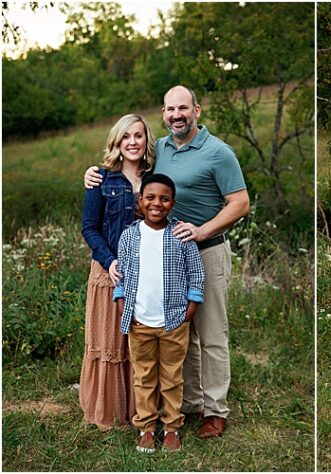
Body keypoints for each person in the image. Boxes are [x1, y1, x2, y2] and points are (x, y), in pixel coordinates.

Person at [85, 85, 250, 438]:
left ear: (197, 111)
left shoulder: (218, 152)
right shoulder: (158, 149)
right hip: (166, 255)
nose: (177, 115)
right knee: (178, 329)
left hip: (207, 249)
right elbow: (126, 161)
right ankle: (189, 403)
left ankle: (215, 411)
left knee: (211, 334)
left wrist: (201, 231)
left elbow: (240, 203)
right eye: (170, 109)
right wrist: (92, 173)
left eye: (183, 108)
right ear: (163, 114)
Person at [114, 174, 205, 453]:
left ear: (172, 203)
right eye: (150, 198)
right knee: (144, 377)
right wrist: (122, 305)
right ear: (140, 201)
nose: (157, 203)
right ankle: (146, 427)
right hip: (139, 321)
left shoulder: (181, 235)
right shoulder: (129, 236)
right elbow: (122, 275)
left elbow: (196, 274)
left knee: (172, 377)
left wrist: (190, 309)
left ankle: (172, 428)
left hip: (174, 321)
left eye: (164, 199)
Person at [79, 114, 157, 431]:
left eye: (138, 135)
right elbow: (89, 228)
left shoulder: (156, 178)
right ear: (117, 141)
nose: (133, 142)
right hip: (109, 273)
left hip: (148, 274)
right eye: (126, 136)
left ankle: (145, 411)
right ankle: (110, 411)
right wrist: (110, 260)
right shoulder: (101, 178)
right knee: (111, 342)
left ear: (146, 140)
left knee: (142, 343)